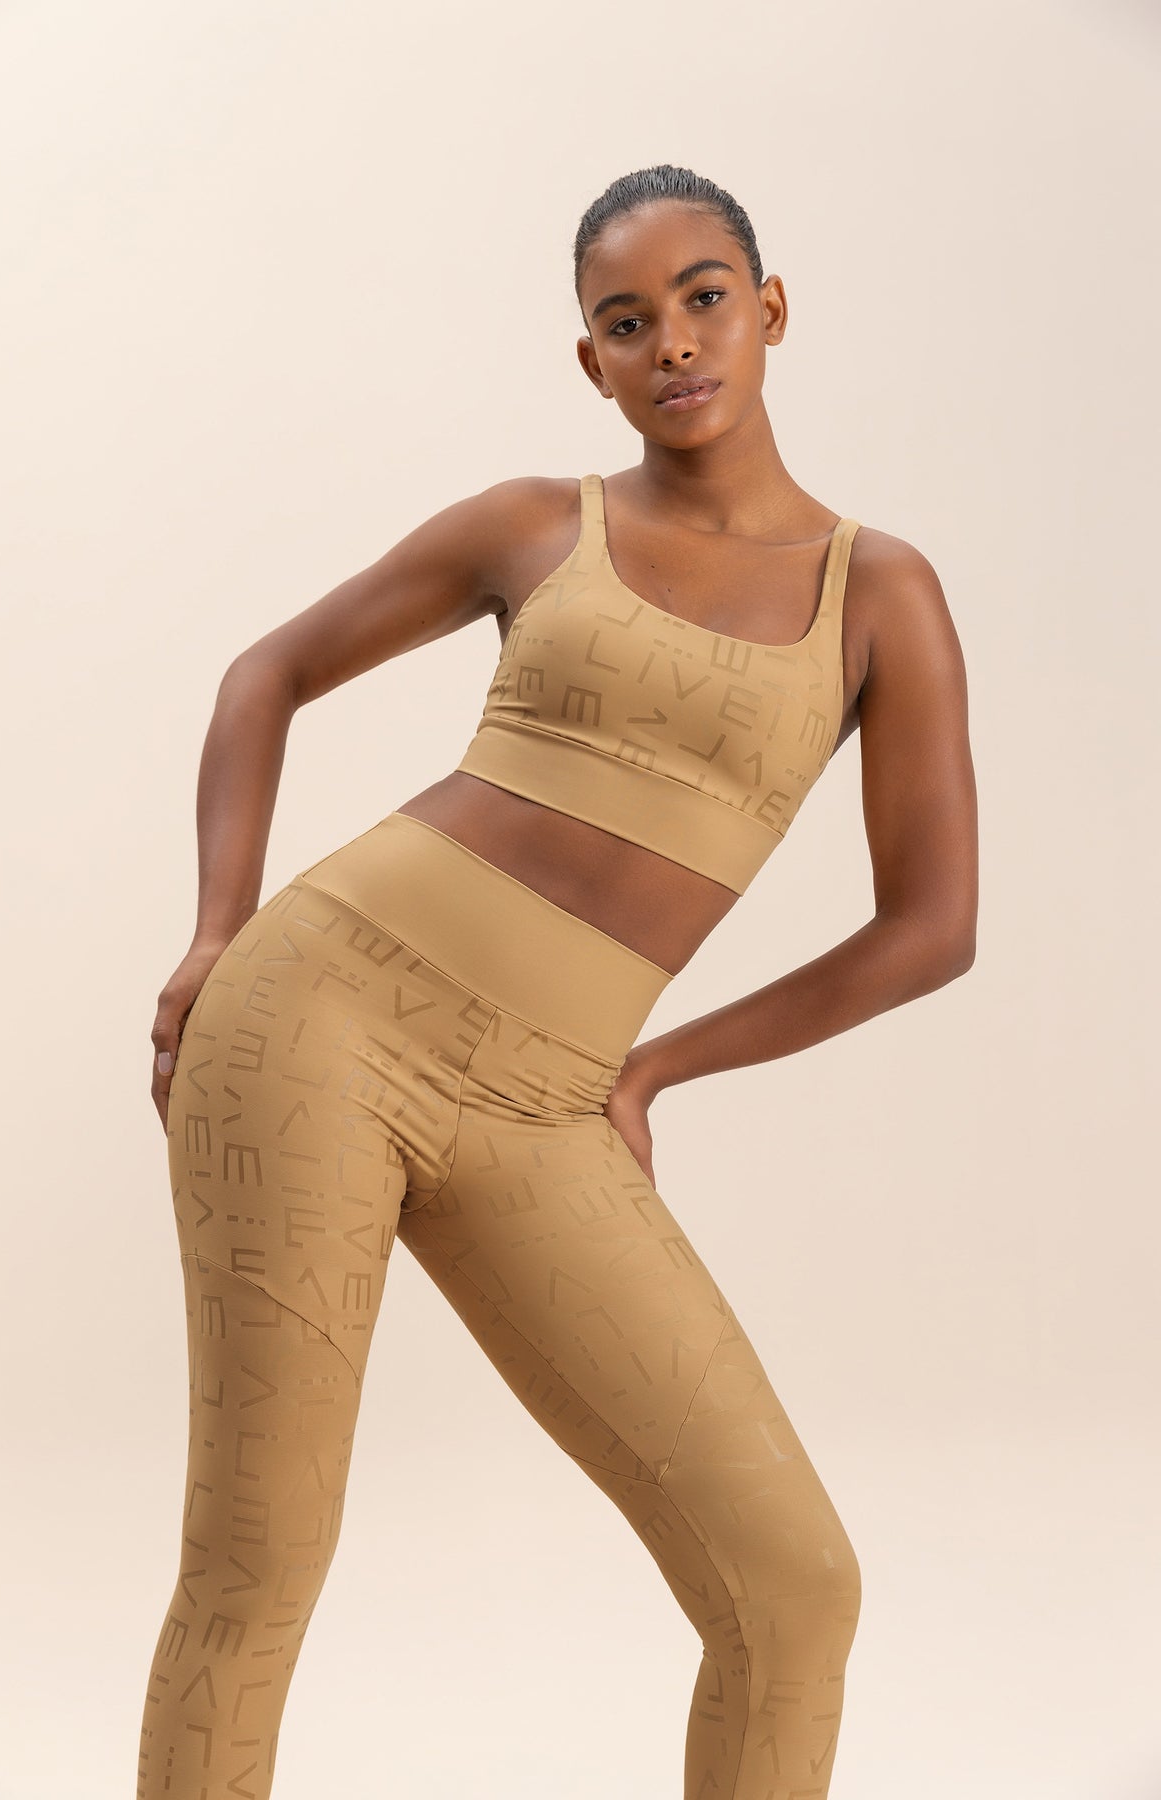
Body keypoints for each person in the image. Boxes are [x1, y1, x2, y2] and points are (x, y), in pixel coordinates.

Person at [136, 162, 978, 1800]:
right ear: (592, 360)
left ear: (770, 308)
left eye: (705, 298)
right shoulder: (538, 525)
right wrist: (216, 931)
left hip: (547, 1103)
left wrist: (657, 1066)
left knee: (793, 1590)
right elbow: (267, 673)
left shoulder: (880, 593)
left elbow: (931, 924)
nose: (675, 342)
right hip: (315, 1019)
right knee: (259, 1564)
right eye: (627, 320)